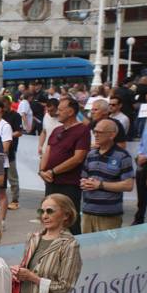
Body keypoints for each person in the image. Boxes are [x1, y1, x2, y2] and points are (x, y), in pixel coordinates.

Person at [41, 97, 91, 235]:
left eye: (61, 110)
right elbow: (47, 152)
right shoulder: (57, 130)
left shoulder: (82, 130)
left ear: (70, 111)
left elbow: (78, 158)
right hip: (51, 182)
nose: (57, 113)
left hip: (69, 184)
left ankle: (75, 249)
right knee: (49, 216)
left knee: (71, 219)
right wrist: (42, 171)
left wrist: (53, 171)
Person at [79, 119, 135, 233]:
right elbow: (83, 178)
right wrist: (84, 182)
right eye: (95, 131)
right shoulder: (91, 154)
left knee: (107, 250)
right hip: (87, 212)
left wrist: (100, 185)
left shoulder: (122, 156)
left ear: (112, 134)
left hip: (109, 215)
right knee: (88, 249)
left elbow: (128, 185)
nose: (96, 135)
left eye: (100, 132)